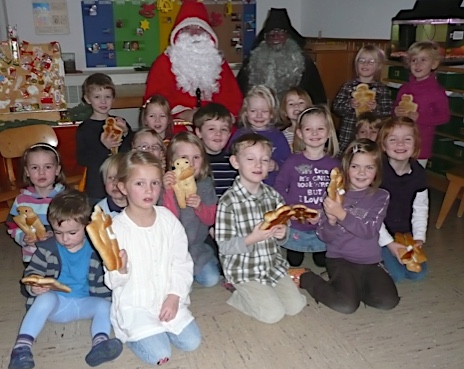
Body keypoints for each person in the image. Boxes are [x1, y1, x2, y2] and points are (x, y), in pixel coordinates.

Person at [7, 189, 122, 369]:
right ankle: (22, 348)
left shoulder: (97, 250)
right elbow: (31, 273)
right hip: (57, 304)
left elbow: (110, 280)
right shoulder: (47, 248)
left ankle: (100, 343)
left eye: (72, 232)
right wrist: (34, 287)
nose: (65, 238)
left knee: (105, 306)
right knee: (45, 298)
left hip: (86, 302)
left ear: (87, 226)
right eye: (58, 232)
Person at [105, 151, 201, 366]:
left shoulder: (168, 219)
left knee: (192, 342)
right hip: (136, 305)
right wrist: (119, 269)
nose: (149, 190)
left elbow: (182, 261)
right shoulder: (115, 229)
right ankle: (133, 334)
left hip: (167, 298)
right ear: (123, 187)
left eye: (155, 183)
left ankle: (161, 328)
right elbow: (112, 281)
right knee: (160, 354)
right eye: (139, 183)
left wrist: (175, 296)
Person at [298, 139, 400, 314]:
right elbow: (325, 237)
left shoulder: (381, 196)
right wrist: (330, 221)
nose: (362, 172)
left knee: (388, 301)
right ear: (345, 168)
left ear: (377, 171)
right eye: (355, 166)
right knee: (346, 306)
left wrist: (341, 214)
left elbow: (369, 230)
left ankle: (349, 288)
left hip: (370, 261)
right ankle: (306, 277)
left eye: (369, 167)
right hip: (340, 259)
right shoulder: (333, 195)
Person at [215, 133, 307, 324]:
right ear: (235, 162)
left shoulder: (274, 196)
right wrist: (251, 238)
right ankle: (239, 295)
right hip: (244, 270)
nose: (258, 165)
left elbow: (284, 226)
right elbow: (224, 247)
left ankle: (266, 293)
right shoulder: (228, 202)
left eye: (264, 160)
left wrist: (283, 233)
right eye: (250, 159)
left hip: (272, 266)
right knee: (273, 315)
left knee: (296, 306)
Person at [143, 0, 243, 121]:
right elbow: (155, 102)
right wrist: (183, 113)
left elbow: (233, 100)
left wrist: (215, 118)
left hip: (214, 122)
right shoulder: (163, 63)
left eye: (199, 28)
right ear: (179, 33)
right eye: (187, 28)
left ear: (208, 33)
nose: (194, 33)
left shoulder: (218, 63)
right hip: (176, 123)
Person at [274, 106, 340, 268]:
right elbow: (279, 187)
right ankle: (296, 248)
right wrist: (290, 210)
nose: (315, 133)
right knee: (294, 261)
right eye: (309, 129)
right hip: (297, 223)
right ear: (300, 134)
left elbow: (340, 194)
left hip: (323, 223)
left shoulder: (335, 164)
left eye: (320, 129)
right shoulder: (292, 161)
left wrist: (324, 214)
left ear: (329, 132)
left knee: (322, 262)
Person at [162, 132, 220, 287]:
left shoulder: (205, 184)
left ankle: (190, 271)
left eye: (196, 157)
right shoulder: (164, 184)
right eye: (184, 158)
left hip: (195, 248)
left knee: (211, 279)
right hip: (169, 250)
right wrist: (167, 191)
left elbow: (211, 219)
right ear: (172, 161)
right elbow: (169, 219)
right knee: (169, 284)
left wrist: (200, 207)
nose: (191, 163)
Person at [236, 8, 326, 104]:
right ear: (265, 38)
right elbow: (239, 92)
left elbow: (317, 96)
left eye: (280, 33)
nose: (275, 37)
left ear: (288, 36)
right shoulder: (252, 61)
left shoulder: (303, 61)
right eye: (271, 34)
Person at [377, 117, 428, 283]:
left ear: (415, 145)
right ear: (384, 146)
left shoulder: (419, 173)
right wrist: (389, 243)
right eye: (393, 140)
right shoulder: (377, 173)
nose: (400, 144)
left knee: (417, 274)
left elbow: (420, 208)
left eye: (407, 139)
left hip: (404, 233)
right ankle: (371, 262)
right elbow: (371, 216)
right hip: (377, 232)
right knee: (396, 277)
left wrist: (419, 237)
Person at [76, 73, 134, 201]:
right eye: (97, 97)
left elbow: (131, 150)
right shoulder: (85, 129)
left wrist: (126, 133)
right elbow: (83, 159)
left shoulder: (119, 123)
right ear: (87, 99)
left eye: (107, 97)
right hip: (97, 186)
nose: (103, 101)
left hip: (121, 183)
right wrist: (103, 147)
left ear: (113, 99)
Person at [393, 41, 450, 167]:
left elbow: (444, 117)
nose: (418, 64)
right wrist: (396, 111)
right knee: (395, 173)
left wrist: (420, 118)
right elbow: (395, 107)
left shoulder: (437, 91)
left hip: (421, 144)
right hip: (399, 141)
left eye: (423, 60)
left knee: (415, 176)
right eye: (414, 60)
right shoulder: (404, 88)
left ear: (434, 64)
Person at [7, 143, 66, 263]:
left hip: (61, 255)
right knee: (34, 281)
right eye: (35, 168)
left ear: (57, 170)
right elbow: (13, 225)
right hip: (32, 256)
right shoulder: (21, 201)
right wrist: (23, 237)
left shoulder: (65, 198)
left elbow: (75, 225)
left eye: (48, 167)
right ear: (27, 172)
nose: (41, 172)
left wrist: (55, 235)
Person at [333, 45, 392, 155]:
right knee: (347, 159)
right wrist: (349, 105)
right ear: (356, 64)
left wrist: (376, 108)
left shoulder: (381, 89)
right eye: (362, 60)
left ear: (378, 66)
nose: (365, 64)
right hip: (348, 135)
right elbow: (336, 107)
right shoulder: (348, 86)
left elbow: (388, 111)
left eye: (371, 61)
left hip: (371, 137)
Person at [228, 85, 291, 187]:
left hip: (272, 188)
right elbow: (230, 159)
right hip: (245, 187)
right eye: (253, 111)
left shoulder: (278, 137)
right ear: (246, 113)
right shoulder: (239, 135)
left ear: (271, 114)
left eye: (265, 111)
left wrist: (276, 165)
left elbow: (288, 162)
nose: (259, 115)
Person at [193, 102, 237, 198]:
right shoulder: (194, 162)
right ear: (199, 132)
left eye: (224, 129)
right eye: (211, 129)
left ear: (229, 134)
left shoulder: (235, 162)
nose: (218, 133)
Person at [277, 86, 313, 152]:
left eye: (301, 102)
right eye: (291, 104)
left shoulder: (313, 131)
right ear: (285, 112)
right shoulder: (282, 136)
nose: (296, 106)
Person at [96, 153, 127, 218]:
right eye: (110, 178)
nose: (114, 183)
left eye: (120, 178)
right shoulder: (99, 211)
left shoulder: (141, 207)